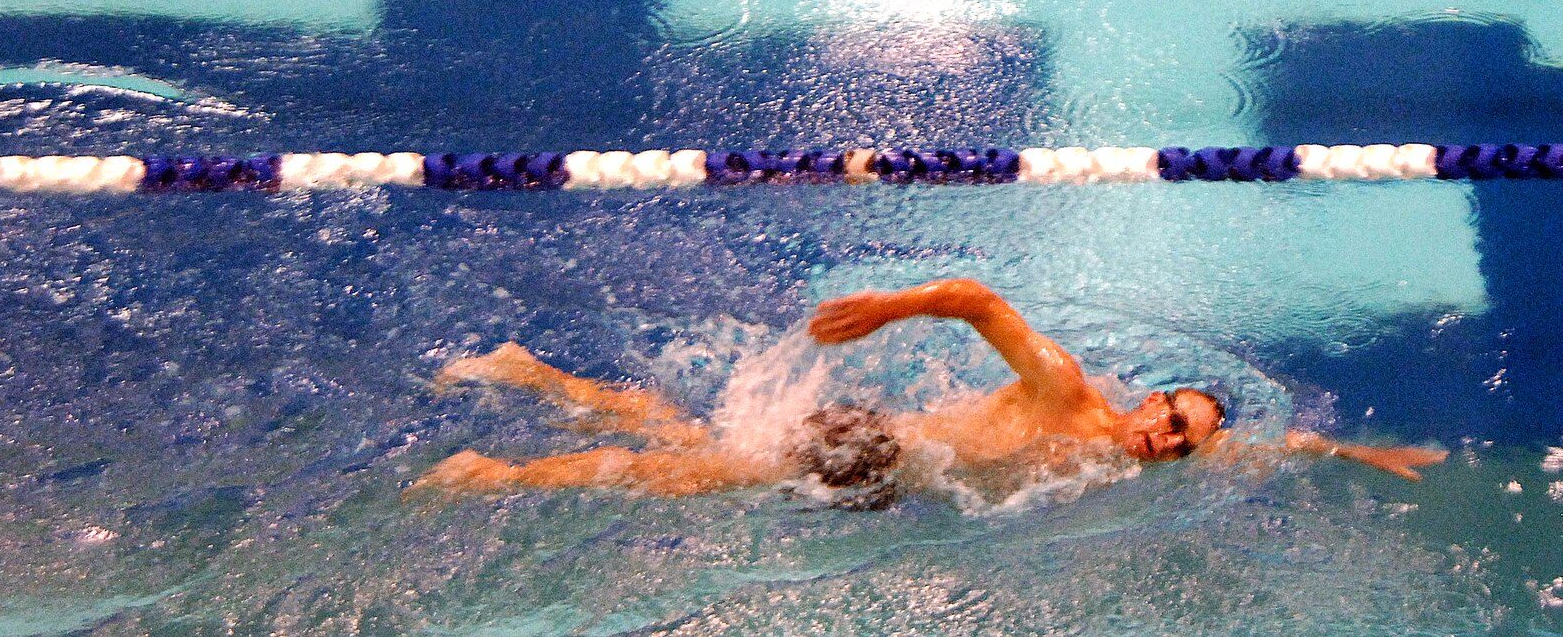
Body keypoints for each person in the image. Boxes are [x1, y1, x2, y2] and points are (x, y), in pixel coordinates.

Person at [418, 277, 1445, 503]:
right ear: (1149, 401)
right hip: (864, 447)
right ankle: (494, 471)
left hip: (885, 469)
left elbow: (1265, 449)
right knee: (673, 478)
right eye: (1172, 420)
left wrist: (1356, 452)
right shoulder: (1064, 394)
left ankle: (527, 373)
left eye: (1183, 443)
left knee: (681, 438)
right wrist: (888, 310)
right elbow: (977, 300)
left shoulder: (1129, 447)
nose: (1170, 443)